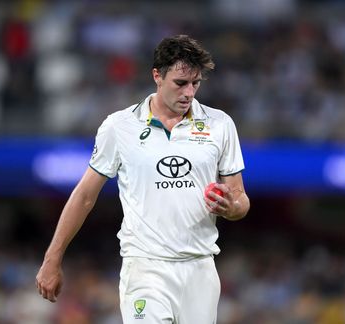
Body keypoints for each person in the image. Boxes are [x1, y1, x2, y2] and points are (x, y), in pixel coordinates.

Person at [36, 34, 250, 323]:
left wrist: (233, 207)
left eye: (195, 83)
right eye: (180, 83)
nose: (189, 92)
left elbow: (239, 197)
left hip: (200, 268)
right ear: (157, 76)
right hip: (145, 267)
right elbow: (85, 195)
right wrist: (53, 258)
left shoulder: (220, 124)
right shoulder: (119, 127)